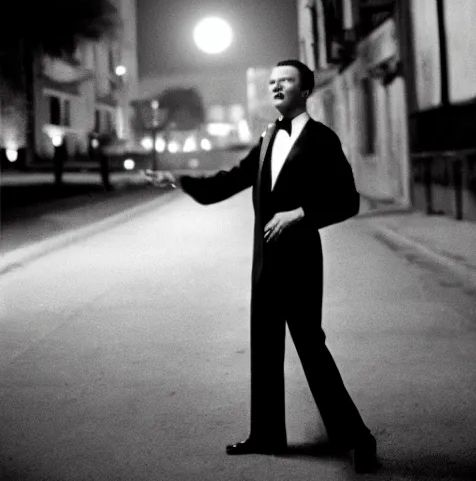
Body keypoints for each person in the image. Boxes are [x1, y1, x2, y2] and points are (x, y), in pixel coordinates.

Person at [144, 59, 380, 473]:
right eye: (272, 82)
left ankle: (358, 439)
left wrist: (300, 213)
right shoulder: (268, 135)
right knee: (265, 347)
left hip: (302, 260)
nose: (276, 87)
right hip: (265, 261)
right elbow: (233, 178)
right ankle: (266, 434)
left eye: (285, 81)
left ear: (305, 90)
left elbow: (348, 200)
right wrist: (181, 181)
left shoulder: (323, 139)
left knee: (311, 348)